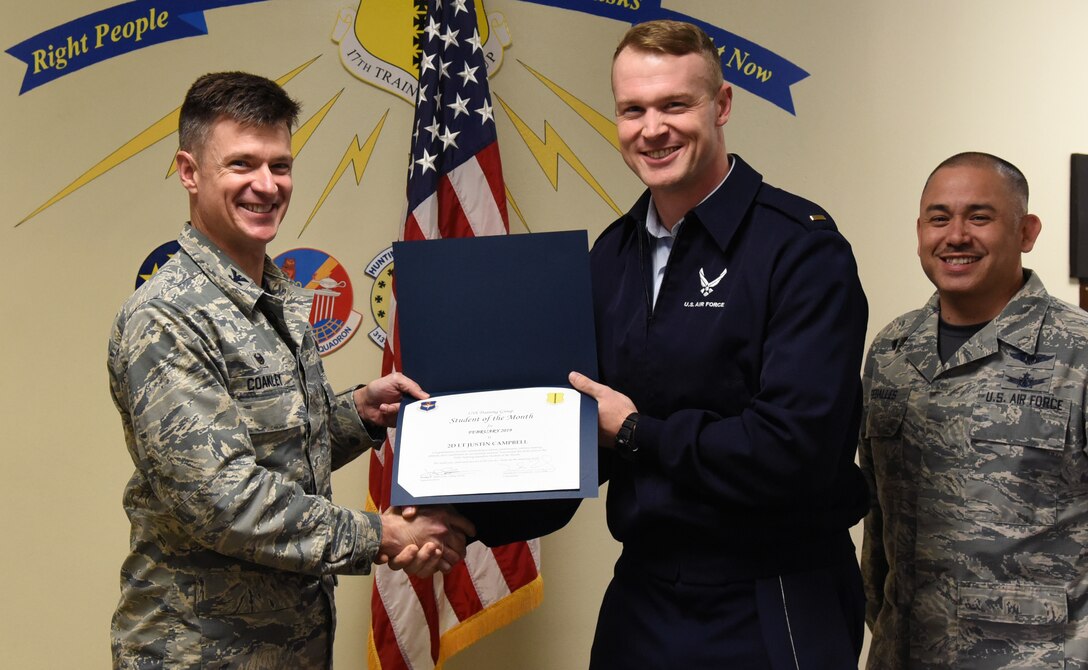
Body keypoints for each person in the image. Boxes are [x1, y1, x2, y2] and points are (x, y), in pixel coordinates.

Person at [467, 19, 870, 668]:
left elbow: (794, 451)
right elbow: (576, 444)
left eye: (675, 104)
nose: (651, 129)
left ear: (723, 104)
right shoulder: (611, 257)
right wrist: (461, 514)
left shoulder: (800, 249)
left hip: (776, 594)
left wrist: (636, 434)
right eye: (633, 109)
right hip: (647, 595)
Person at [108, 71, 474, 668]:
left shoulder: (272, 294)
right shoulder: (166, 316)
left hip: (293, 646)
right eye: (242, 165)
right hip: (201, 653)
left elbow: (276, 450)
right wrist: (382, 535)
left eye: (280, 166)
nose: (266, 185)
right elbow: (225, 501)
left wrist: (357, 415)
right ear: (189, 171)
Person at [860, 152, 1088, 668]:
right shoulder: (893, 350)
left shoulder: (1079, 351)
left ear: (1027, 231)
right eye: (939, 218)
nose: (956, 235)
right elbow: (875, 516)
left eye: (979, 217)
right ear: (920, 230)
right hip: (904, 650)